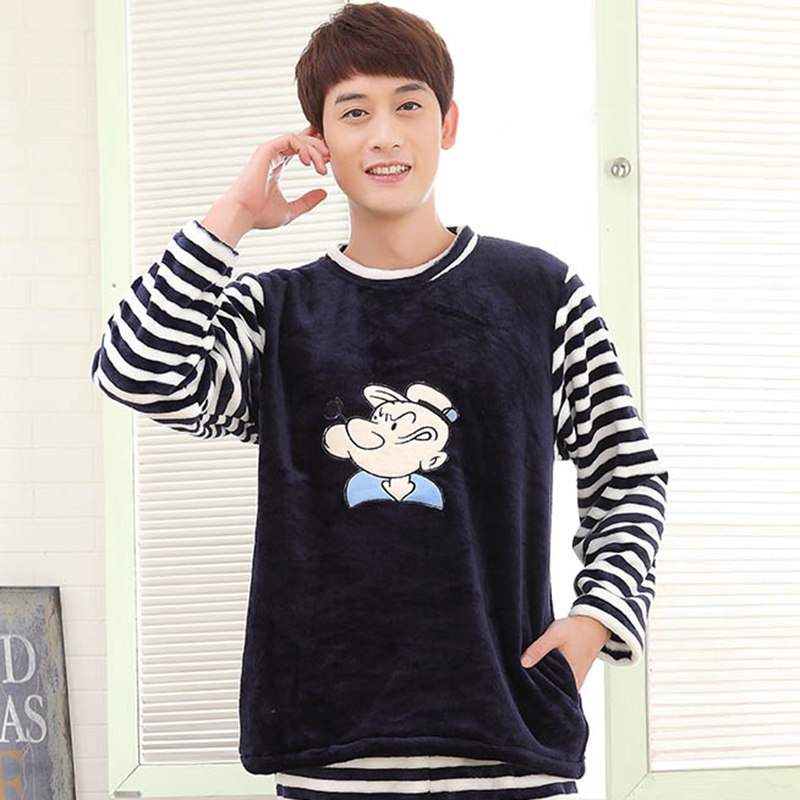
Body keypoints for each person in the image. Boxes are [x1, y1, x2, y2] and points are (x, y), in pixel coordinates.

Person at [91, 3, 669, 798]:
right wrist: (234, 216)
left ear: (448, 124)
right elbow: (135, 371)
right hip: (329, 746)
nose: (385, 135)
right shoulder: (276, 313)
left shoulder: (539, 294)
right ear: (319, 142)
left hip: (507, 741)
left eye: (409, 106)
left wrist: (596, 620)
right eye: (354, 112)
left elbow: (628, 475)